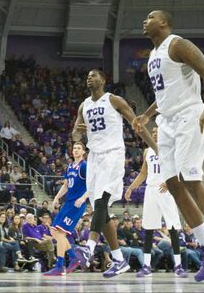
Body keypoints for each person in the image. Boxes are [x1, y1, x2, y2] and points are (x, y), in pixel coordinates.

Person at [135, 10, 204, 282]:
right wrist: (148, 114)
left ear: (164, 23)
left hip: (190, 115)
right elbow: (165, 93)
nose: (145, 21)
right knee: (173, 184)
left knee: (190, 179)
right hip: (166, 121)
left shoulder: (177, 44)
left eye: (150, 17)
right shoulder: (154, 54)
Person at [71, 68, 143, 278]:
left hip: (112, 153)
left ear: (103, 80)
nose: (89, 77)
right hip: (94, 156)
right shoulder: (84, 105)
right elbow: (75, 133)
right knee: (102, 213)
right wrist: (79, 132)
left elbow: (135, 123)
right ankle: (120, 260)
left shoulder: (114, 100)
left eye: (93, 75)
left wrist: (155, 146)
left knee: (101, 202)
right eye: (87, 75)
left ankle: (89, 248)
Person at [124, 127, 188, 278]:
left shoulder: (170, 148)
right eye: (152, 132)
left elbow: (179, 168)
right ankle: (146, 266)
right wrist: (131, 188)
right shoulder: (147, 151)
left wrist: (170, 182)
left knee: (173, 227)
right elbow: (143, 173)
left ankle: (178, 266)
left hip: (166, 190)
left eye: (157, 132)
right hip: (151, 189)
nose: (154, 134)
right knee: (148, 227)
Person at [43, 141, 87, 276]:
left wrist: (83, 198)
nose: (76, 150)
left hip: (77, 204)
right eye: (74, 148)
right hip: (68, 202)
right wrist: (56, 197)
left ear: (83, 152)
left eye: (79, 148)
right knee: (54, 231)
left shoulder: (84, 166)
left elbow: (93, 185)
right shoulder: (69, 167)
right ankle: (73, 257)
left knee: (60, 233)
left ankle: (60, 265)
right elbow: (66, 185)